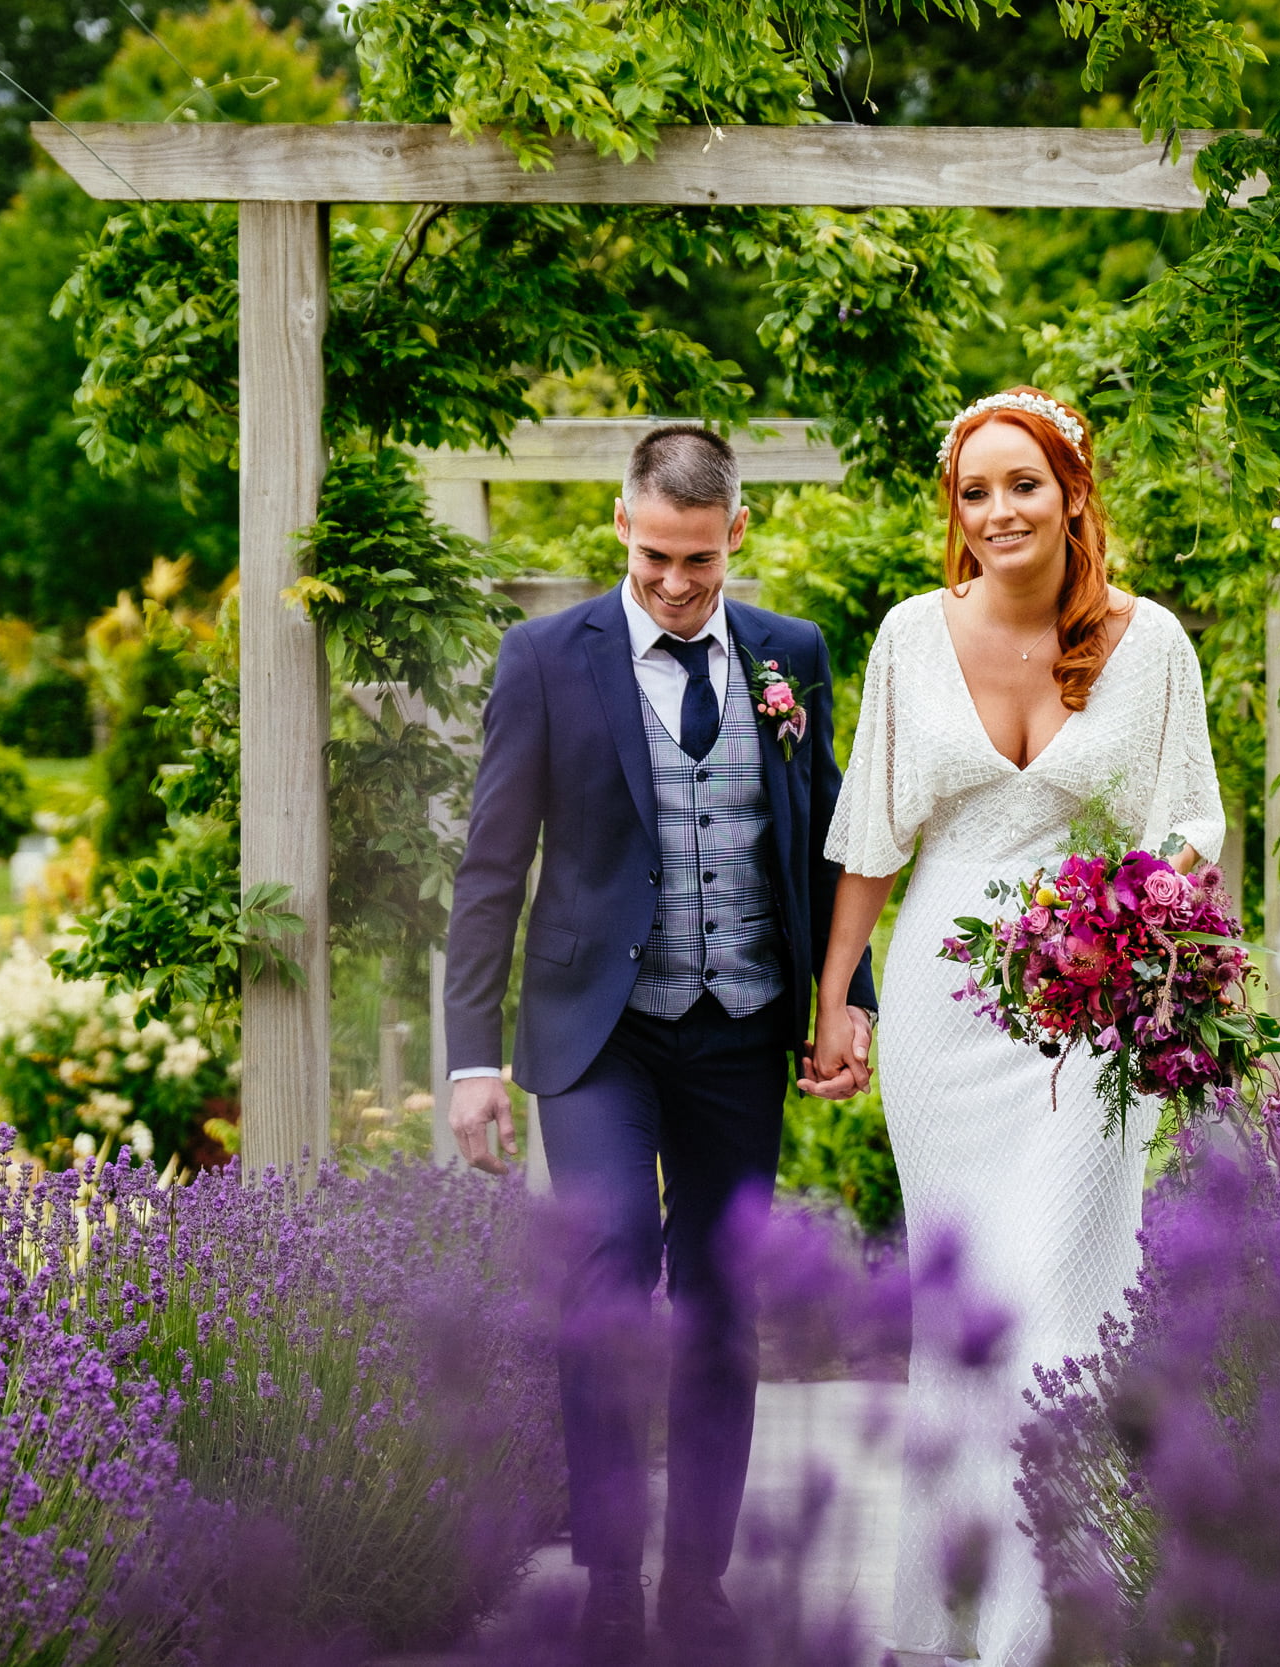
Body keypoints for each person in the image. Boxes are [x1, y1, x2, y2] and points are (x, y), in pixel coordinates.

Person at [443, 424, 878, 1667]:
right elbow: (489, 866)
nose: (675, 583)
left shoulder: (792, 657)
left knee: (724, 1303)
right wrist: (475, 1054)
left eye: (696, 558)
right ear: (619, 529)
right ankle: (610, 1578)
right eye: (652, 559)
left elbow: (823, 841)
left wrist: (850, 1000)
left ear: (734, 532)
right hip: (597, 1034)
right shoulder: (543, 658)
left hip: (740, 1025)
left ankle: (697, 1579)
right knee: (608, 1270)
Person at [811, 388, 1228, 1666]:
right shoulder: (905, 637)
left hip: (1091, 1021)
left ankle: (1056, 1624)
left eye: (1023, 484)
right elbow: (871, 834)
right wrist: (839, 997)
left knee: (1062, 1306)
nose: (998, 511)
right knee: (970, 1318)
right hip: (946, 1018)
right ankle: (961, 1610)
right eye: (975, 491)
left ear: (1072, 492)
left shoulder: (1148, 644)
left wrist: (1163, 968)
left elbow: (1186, 830)